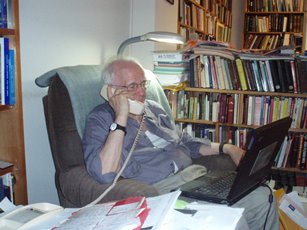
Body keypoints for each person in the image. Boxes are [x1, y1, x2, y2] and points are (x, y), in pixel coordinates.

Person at [82, 57, 279, 230]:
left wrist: (227, 147)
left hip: (195, 178)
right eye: (133, 86)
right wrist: (122, 115)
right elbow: (104, 173)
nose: (142, 93)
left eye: (143, 84)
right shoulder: (101, 119)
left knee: (263, 197)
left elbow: (186, 142)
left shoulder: (154, 109)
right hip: (165, 192)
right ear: (113, 91)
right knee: (232, 220)